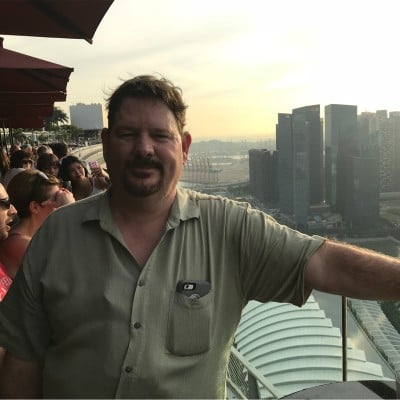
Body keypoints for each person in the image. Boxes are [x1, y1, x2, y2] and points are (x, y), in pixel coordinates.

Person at [1, 75, 400, 398]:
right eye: (128, 134)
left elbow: (325, 262)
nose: (144, 148)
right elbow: (22, 359)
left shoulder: (228, 226)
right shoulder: (58, 235)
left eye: (160, 136)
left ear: (184, 147)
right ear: (106, 144)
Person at [0, 170, 74, 279]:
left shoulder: (36, 236)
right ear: (35, 207)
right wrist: (70, 210)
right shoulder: (20, 244)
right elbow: (71, 270)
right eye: (56, 199)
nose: (62, 203)